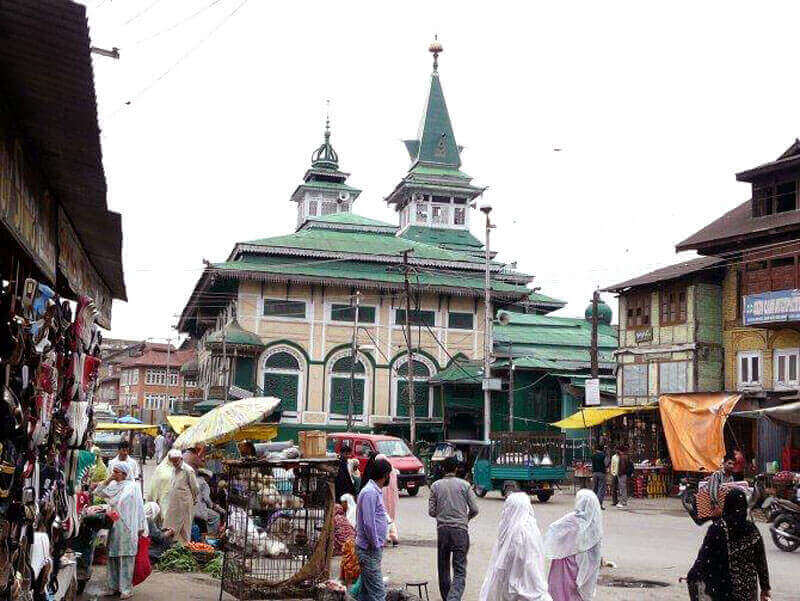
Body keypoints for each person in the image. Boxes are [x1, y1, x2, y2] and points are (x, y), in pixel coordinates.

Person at [687, 488, 771, 601]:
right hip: (748, 589)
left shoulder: (717, 529)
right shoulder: (752, 529)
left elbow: (704, 558)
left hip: (724, 588)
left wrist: (692, 576)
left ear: (727, 505)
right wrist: (765, 588)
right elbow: (761, 561)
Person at [478, 492, 551, 601]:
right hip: (526, 580)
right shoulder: (529, 525)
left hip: (520, 581)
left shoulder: (518, 531)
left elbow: (513, 559)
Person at [429, 456, 479, 601]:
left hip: (443, 531)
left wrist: (443, 514)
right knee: (459, 569)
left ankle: (448, 598)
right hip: (460, 531)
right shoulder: (465, 485)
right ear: (456, 469)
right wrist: (465, 518)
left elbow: (432, 511)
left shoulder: (435, 486)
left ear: (443, 469)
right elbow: (475, 509)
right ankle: (453, 598)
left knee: (443, 567)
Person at [94, 463, 147, 599]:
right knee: (112, 556)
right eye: (114, 471)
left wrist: (141, 526)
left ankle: (126, 589)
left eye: (117, 472)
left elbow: (140, 507)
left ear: (124, 473)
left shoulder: (133, 487)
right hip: (115, 526)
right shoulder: (113, 486)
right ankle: (112, 587)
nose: (114, 474)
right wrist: (108, 480)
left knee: (127, 557)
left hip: (129, 526)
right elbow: (98, 492)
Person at [545, 489, 603, 601]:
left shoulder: (571, 520)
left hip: (565, 565)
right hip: (581, 568)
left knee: (560, 592)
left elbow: (553, 530)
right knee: (576, 594)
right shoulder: (595, 523)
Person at [355, 457, 392, 601]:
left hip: (371, 549)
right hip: (368, 550)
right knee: (378, 594)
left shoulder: (374, 491)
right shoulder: (370, 492)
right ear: (384, 475)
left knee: (366, 594)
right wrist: (376, 544)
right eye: (388, 474)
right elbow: (368, 524)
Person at [162, 449, 199, 543]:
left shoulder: (188, 470)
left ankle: (184, 547)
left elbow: (195, 488)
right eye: (173, 461)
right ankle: (173, 545)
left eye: (176, 460)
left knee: (184, 528)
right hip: (174, 504)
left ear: (181, 459)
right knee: (172, 526)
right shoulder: (174, 469)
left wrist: (193, 499)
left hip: (185, 503)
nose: (175, 463)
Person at [375, 453, 400, 546]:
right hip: (391, 499)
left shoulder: (381, 474)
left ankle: (388, 537)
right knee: (390, 518)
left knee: (384, 517)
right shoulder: (392, 471)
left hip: (383, 498)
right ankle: (393, 537)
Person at [194, 469, 223, 535]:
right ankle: (212, 535)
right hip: (200, 510)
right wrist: (212, 505)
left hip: (192, 509)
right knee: (216, 516)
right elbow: (206, 498)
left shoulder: (194, 480)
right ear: (206, 477)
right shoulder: (204, 484)